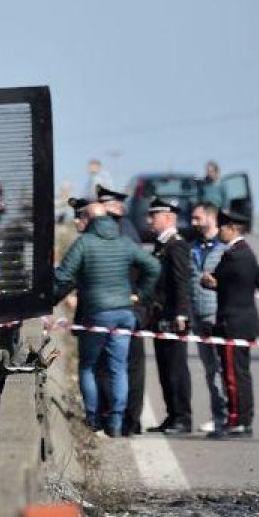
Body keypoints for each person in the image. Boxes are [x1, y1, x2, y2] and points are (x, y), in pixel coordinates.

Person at [55, 199, 160, 437]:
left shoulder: (85, 243)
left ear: (90, 220)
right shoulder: (124, 242)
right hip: (125, 312)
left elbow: (63, 276)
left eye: (81, 217)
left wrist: (47, 299)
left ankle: (92, 420)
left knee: (88, 366)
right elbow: (153, 266)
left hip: (98, 313)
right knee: (118, 368)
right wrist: (140, 294)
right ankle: (115, 422)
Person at [200, 208, 259, 439]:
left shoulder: (236, 254)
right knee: (238, 372)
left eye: (223, 228)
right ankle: (240, 418)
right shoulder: (243, 252)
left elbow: (216, 279)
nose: (220, 232)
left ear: (233, 228)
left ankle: (238, 419)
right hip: (238, 321)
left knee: (234, 375)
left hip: (233, 323)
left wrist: (209, 279)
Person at [96, 184, 147, 434]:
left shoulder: (123, 232)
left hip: (127, 308)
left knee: (125, 367)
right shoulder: (121, 229)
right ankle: (126, 420)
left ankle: (128, 420)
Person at [143, 197, 194, 434]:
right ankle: (172, 415)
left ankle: (183, 417)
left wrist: (182, 314)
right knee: (164, 369)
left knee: (176, 369)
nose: (149, 220)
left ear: (167, 218)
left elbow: (181, 283)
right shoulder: (161, 244)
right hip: (160, 317)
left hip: (174, 318)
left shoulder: (177, 245)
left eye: (153, 216)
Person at [190, 202, 228, 434]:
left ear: (211, 218)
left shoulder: (224, 248)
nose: (193, 223)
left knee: (221, 370)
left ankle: (227, 416)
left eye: (197, 218)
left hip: (217, 315)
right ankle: (218, 415)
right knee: (209, 369)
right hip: (198, 315)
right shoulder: (194, 247)